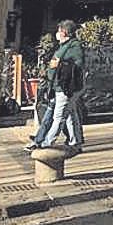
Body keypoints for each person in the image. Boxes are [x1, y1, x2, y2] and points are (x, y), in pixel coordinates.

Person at [27, 19, 85, 153]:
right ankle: (75, 141)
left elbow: (68, 66)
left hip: (65, 87)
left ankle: (48, 141)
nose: (57, 34)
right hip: (61, 87)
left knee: (59, 117)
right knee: (71, 114)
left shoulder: (72, 47)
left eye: (59, 31)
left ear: (64, 32)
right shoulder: (65, 46)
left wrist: (54, 71)